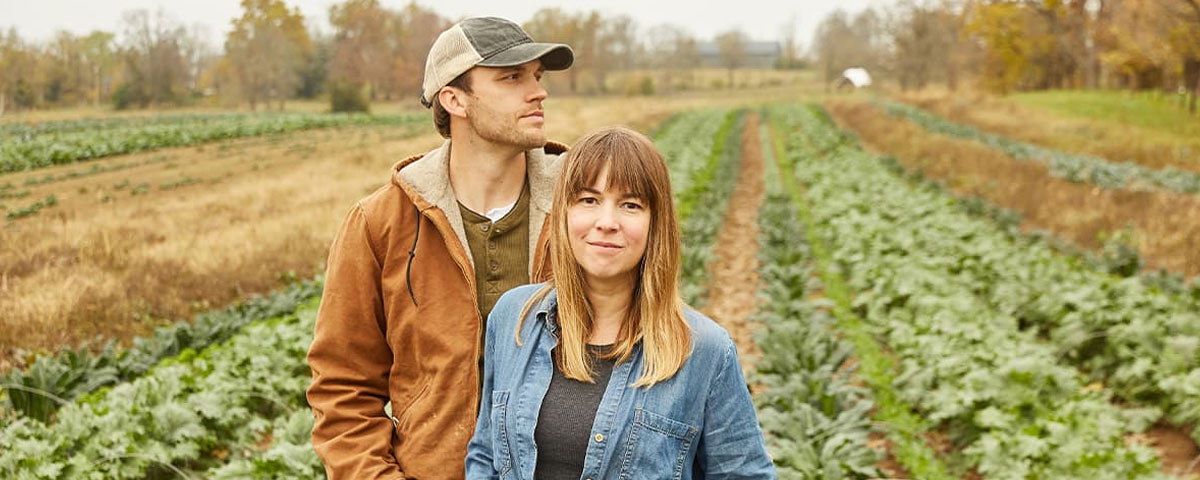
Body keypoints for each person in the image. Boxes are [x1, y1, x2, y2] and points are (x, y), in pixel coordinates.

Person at [306, 16, 574, 480]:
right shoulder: (378, 224)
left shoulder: (582, 207)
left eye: (537, 76)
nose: (538, 92)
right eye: (512, 78)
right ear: (454, 99)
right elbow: (343, 390)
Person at [466, 127, 775, 479]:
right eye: (589, 200)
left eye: (630, 205)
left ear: (655, 222)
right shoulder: (513, 318)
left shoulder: (705, 351)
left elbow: (743, 473)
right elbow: (487, 453)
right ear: (564, 211)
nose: (607, 223)